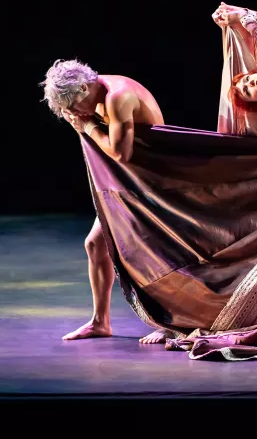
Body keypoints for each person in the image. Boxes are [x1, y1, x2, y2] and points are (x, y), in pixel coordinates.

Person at [50, 4, 257, 360]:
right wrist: (246, 24)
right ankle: (118, 319)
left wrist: (248, 20)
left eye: (250, 80)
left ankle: (188, 318)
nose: (252, 80)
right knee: (100, 244)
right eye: (249, 87)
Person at [39, 59, 165, 341]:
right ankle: (100, 322)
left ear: (84, 87)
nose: (72, 112)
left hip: (152, 185)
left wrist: (87, 128)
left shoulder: (118, 97)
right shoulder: (92, 95)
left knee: (154, 255)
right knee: (96, 244)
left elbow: (122, 154)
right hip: (127, 183)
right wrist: (85, 125)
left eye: (72, 105)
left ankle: (173, 325)